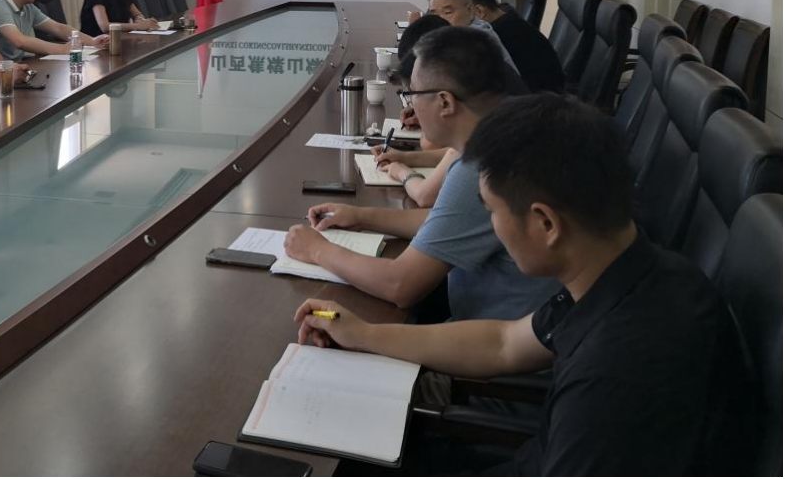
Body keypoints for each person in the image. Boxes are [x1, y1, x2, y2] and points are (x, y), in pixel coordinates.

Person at [295, 94, 740, 476]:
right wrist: (365, 335)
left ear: (546, 223)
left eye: (491, 211)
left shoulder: (613, 379)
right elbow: (504, 342)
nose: (491, 226)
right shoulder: (632, 272)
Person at [285, 26, 557, 319]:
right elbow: (451, 218)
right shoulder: (513, 127)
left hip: (492, 336)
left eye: (411, 93)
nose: (410, 104)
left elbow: (400, 285)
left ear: (445, 102)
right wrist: (361, 216)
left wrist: (317, 250)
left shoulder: (481, 165)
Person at [461, 0, 565, 94]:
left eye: (450, 12)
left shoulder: (496, 35)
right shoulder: (508, 19)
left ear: (479, 11)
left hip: (538, 99)